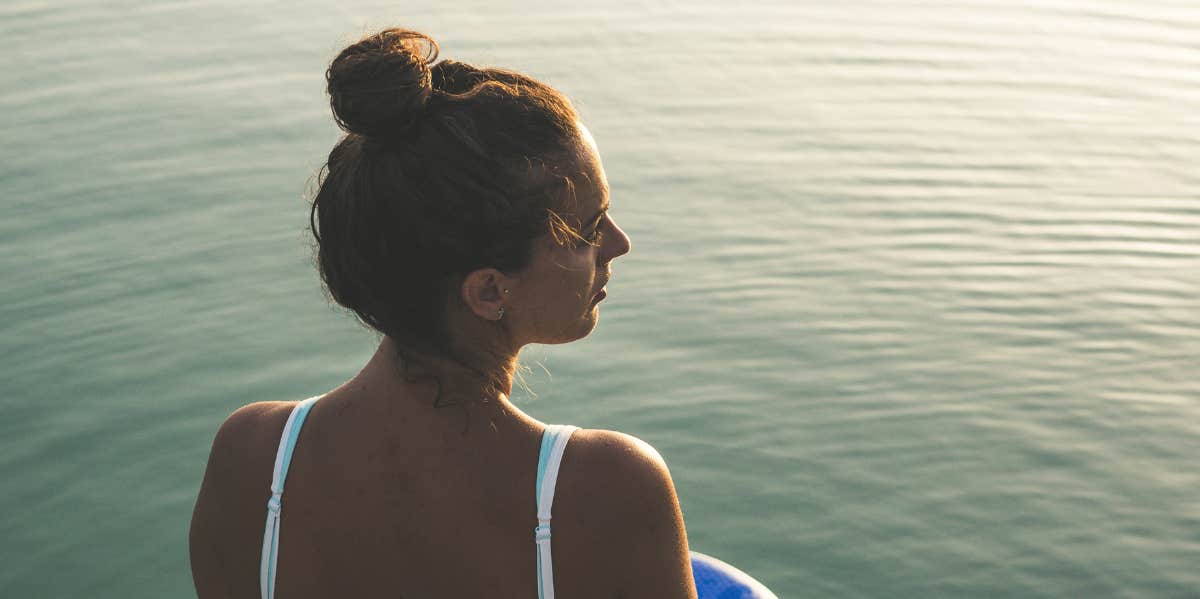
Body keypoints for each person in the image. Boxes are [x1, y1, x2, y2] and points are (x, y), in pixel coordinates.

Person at [189, 28, 698, 598]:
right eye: (587, 229)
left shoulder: (253, 458)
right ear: (487, 292)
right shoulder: (605, 487)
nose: (619, 244)